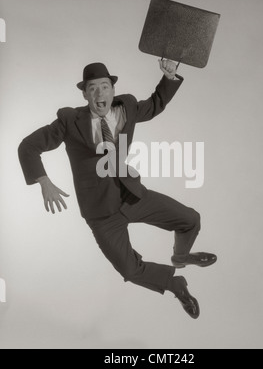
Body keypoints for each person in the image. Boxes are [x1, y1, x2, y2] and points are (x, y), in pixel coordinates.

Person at [18, 60, 217, 319]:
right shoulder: (70, 121)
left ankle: (180, 257)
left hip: (130, 195)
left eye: (104, 86)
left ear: (113, 89)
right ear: (85, 94)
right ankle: (175, 284)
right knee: (130, 271)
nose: (99, 94)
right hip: (101, 212)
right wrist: (43, 181)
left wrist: (169, 77)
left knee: (190, 219)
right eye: (92, 89)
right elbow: (28, 147)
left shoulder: (128, 107)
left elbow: (156, 104)